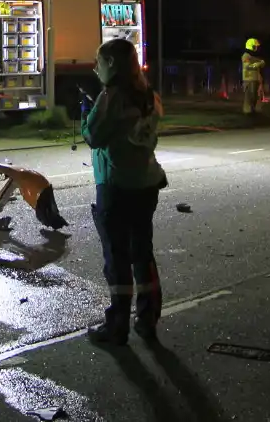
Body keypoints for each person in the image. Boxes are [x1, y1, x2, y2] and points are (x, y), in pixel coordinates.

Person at [82, 37, 168, 345]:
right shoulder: (147, 95)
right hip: (146, 184)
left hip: (116, 186)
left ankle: (117, 325)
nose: (95, 68)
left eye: (99, 62)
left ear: (113, 65)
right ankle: (148, 319)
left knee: (117, 258)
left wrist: (86, 114)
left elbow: (94, 135)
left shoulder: (112, 97)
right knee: (142, 254)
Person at [241, 37, 265, 116]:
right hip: (249, 79)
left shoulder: (252, 57)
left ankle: (254, 111)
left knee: (255, 97)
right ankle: (247, 112)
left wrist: (261, 63)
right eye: (255, 46)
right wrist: (259, 64)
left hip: (254, 79)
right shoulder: (246, 56)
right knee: (249, 97)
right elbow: (248, 66)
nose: (257, 48)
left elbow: (260, 63)